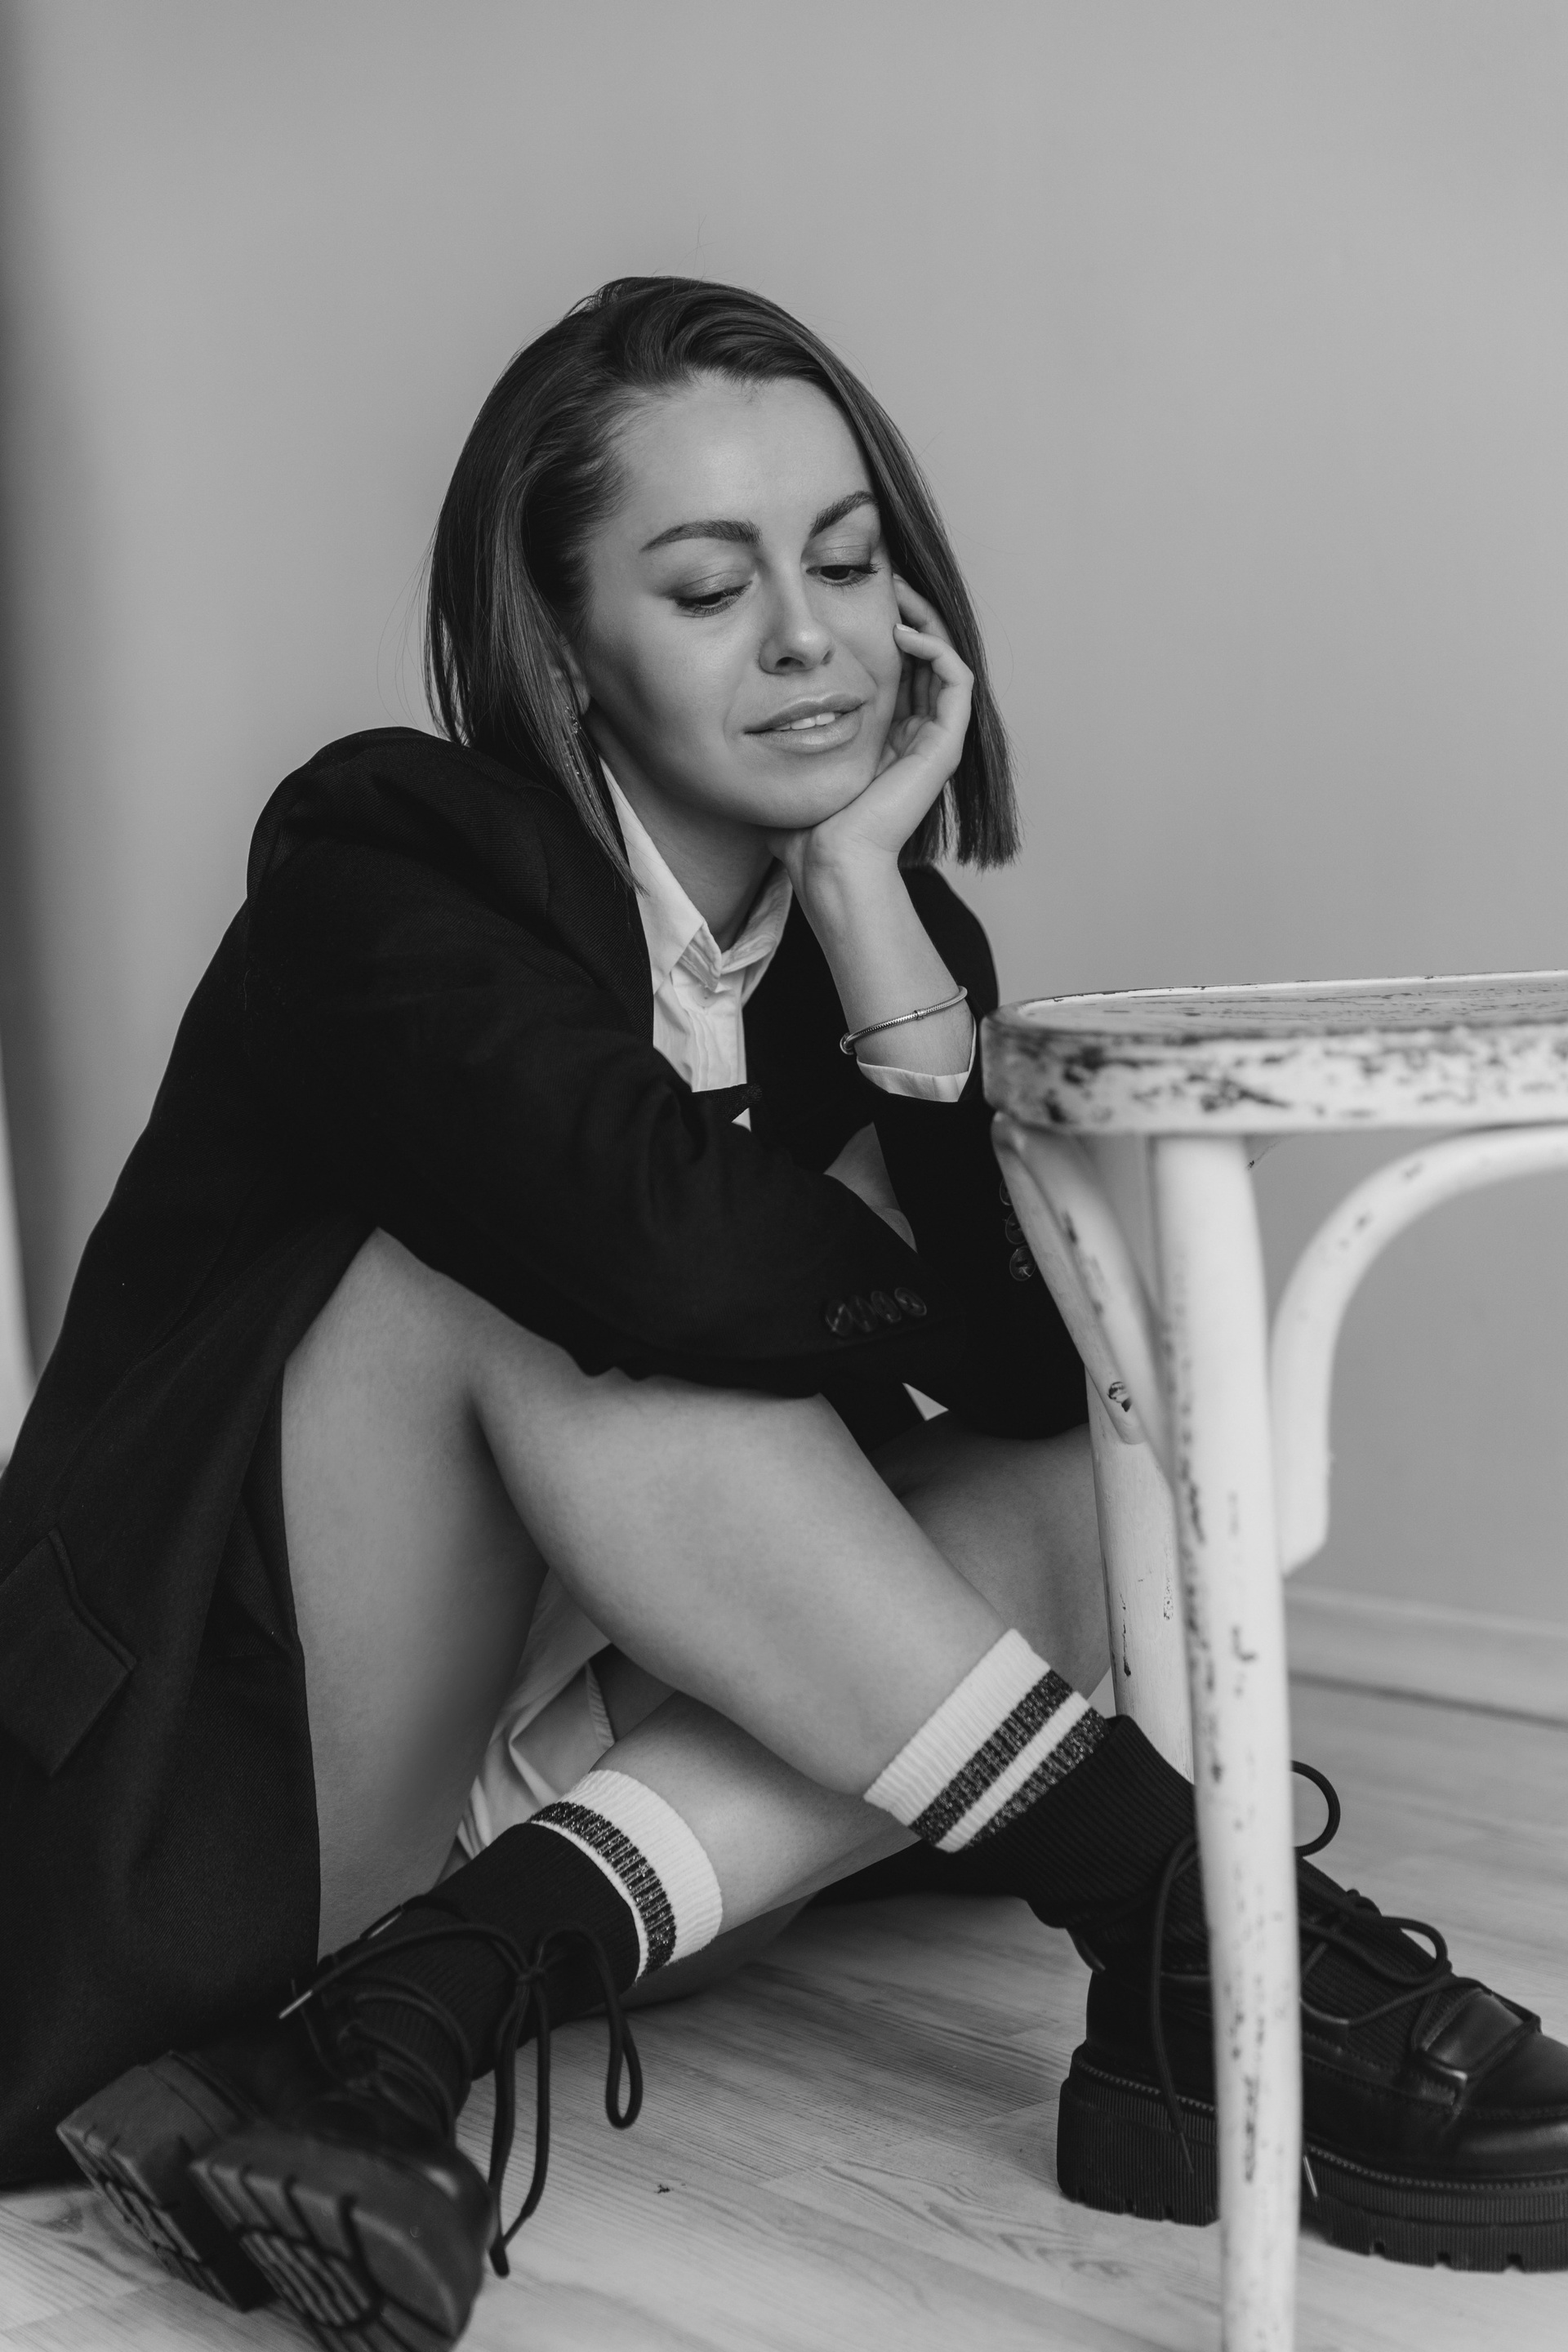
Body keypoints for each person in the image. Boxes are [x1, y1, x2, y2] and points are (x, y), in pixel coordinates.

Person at [3, 278, 1564, 2350]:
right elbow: (661, 1272)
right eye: (709, 586)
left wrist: (868, 916)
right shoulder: (391, 854)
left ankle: (423, 2001)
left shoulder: (883, 948)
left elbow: (1035, 1382)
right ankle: (1214, 1925)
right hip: (216, 1799)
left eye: (842, 561)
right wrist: (861, 1244)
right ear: (565, 642)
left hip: (574, 1783)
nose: (810, 636)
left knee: (1071, 1458)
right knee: (542, 1274)